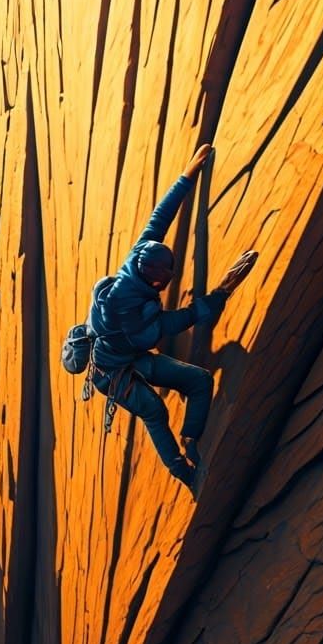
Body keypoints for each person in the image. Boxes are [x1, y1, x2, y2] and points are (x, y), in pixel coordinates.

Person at [87, 143, 257, 492]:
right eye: (162, 282)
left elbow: (158, 220)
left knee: (199, 381)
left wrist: (187, 175)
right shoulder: (123, 306)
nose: (165, 286)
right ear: (152, 279)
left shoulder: (137, 258)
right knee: (153, 411)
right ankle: (182, 471)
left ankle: (192, 439)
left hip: (131, 356)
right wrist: (216, 299)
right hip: (114, 373)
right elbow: (169, 325)